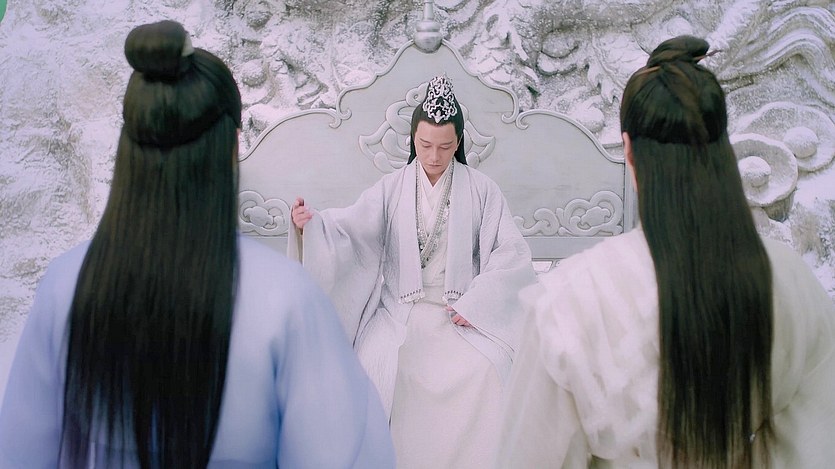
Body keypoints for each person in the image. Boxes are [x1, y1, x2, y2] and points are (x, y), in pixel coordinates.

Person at [0, 20, 394, 468]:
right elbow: (344, 454)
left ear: (128, 146)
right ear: (231, 146)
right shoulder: (285, 300)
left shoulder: (66, 287)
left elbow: (19, 453)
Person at [496, 35, 835, 468]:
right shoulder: (788, 278)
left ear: (629, 150)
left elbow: (528, 456)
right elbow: (819, 438)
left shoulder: (569, 300)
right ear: (720, 150)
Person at [289, 75, 536, 468]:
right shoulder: (392, 187)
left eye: (445, 146)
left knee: (486, 370)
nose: (434, 156)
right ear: (413, 140)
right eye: (425, 145)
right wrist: (314, 227)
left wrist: (478, 303)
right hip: (400, 314)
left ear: (459, 142)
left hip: (459, 313)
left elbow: (510, 253)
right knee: (388, 366)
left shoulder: (483, 190)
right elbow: (353, 229)